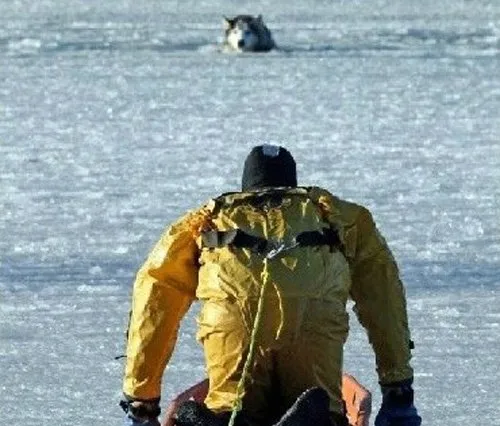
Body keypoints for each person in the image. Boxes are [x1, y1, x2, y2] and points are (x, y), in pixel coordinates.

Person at [120, 145, 422, 426]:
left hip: (233, 328)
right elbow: (383, 298)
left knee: (232, 404)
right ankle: (314, 416)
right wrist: (399, 390)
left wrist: (141, 400)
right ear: (292, 184)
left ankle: (226, 418)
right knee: (321, 406)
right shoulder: (336, 216)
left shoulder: (207, 220)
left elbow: (155, 297)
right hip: (312, 326)